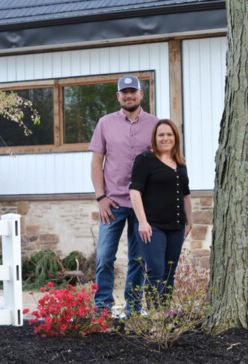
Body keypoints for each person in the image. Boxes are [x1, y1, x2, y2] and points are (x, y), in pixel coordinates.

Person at [89, 75, 158, 313]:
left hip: (143, 205)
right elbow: (97, 162)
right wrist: (100, 197)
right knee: (105, 257)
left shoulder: (155, 124)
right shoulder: (105, 123)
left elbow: (161, 163)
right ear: (118, 96)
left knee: (138, 260)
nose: (129, 96)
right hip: (113, 203)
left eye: (133, 91)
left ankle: (133, 309)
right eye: (124, 92)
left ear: (141, 94)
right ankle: (102, 309)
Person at [129, 119, 192, 307]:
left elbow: (186, 195)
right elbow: (134, 191)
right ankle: (155, 317)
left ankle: (164, 314)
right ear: (155, 138)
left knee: (169, 272)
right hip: (152, 226)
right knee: (156, 271)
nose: (165, 138)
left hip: (176, 227)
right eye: (161, 135)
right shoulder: (145, 160)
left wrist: (190, 221)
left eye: (169, 134)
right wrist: (142, 222)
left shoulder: (180, 163)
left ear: (175, 138)